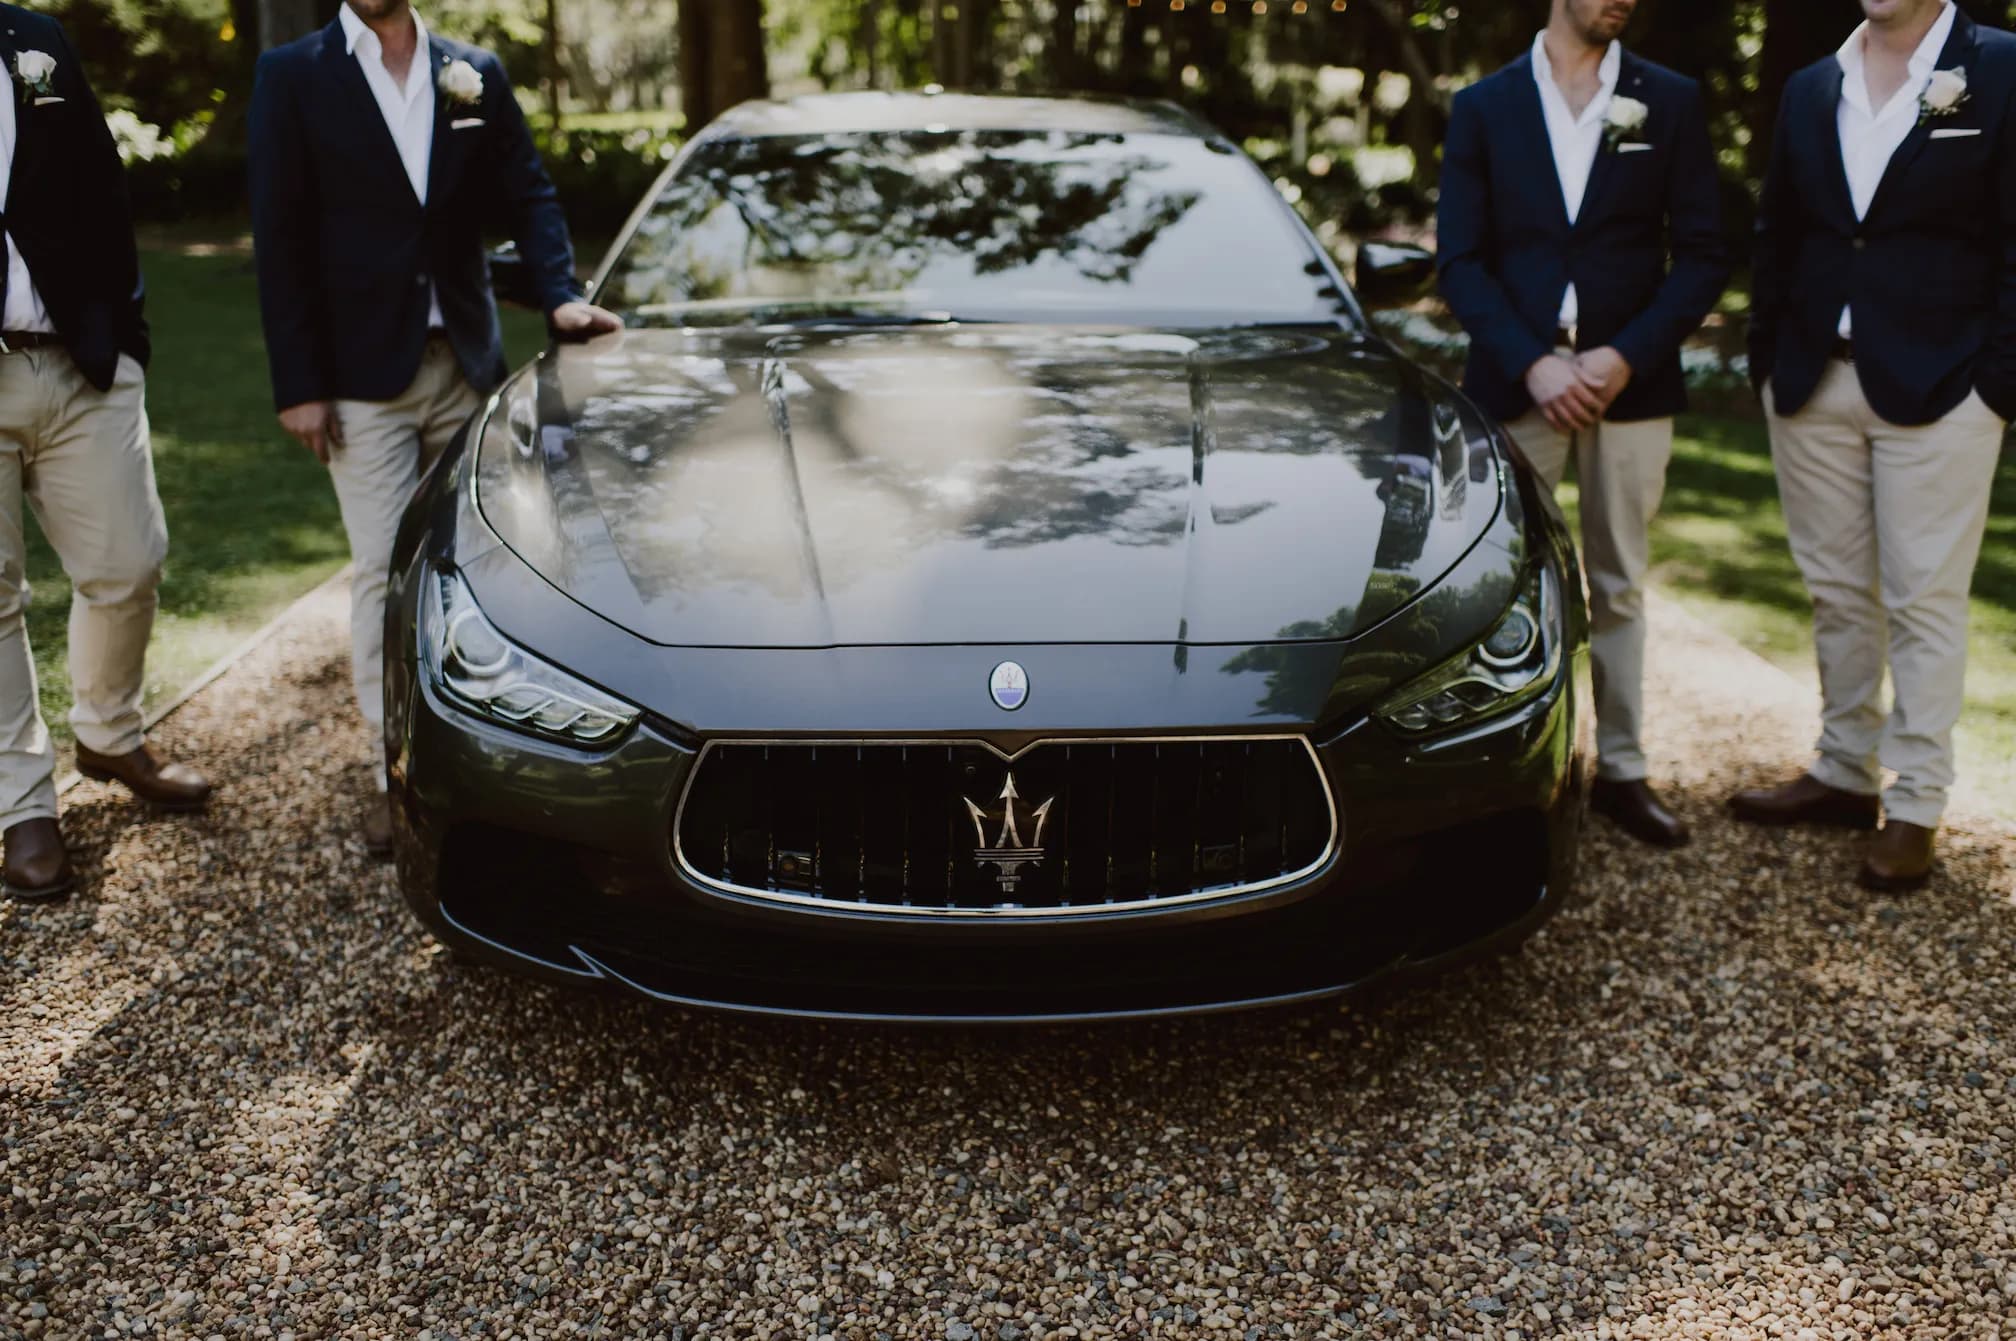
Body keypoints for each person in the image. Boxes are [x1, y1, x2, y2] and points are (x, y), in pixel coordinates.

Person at [248, 0, 619, 856]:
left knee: (484, 564)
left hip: (468, 364)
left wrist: (560, 292)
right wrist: (299, 382)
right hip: (358, 378)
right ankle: (394, 775)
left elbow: (529, 189)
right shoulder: (293, 76)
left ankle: (493, 761)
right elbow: (281, 232)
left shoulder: (473, 73)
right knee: (383, 571)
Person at [1436, 0, 1730, 849]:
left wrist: (1623, 355)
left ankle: (1626, 772)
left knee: (1621, 582)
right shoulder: (1484, 106)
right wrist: (1534, 361)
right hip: (1517, 381)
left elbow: (1705, 253)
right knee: (1493, 591)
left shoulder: (1668, 100)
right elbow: (1460, 258)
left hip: (1628, 388)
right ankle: (1496, 781)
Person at [1734, 0, 2013, 893]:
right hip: (1812, 377)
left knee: (1924, 598)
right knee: (1836, 590)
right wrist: (1767, 361)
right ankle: (1843, 769)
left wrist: (1997, 385)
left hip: (1945, 386)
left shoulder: (2001, 66)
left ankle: (1920, 804)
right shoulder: (1814, 83)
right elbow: (1781, 228)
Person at [0, 6, 214, 903]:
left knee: (130, 561)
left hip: (79, 358)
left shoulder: (36, 40)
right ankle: (22, 806)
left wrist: (124, 333)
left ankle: (109, 730)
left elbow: (99, 180)